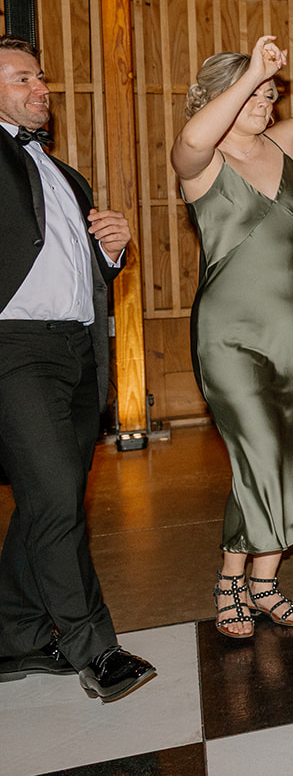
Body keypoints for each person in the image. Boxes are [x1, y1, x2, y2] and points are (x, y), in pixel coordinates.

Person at [172, 33, 293, 638]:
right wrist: (247, 73)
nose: (266, 101)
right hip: (228, 337)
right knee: (257, 450)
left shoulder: (282, 145)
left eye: (268, 92)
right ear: (218, 98)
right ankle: (233, 580)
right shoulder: (200, 161)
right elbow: (190, 140)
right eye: (253, 92)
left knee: (288, 454)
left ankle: (264, 583)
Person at [0, 36, 157, 702]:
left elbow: (70, 270)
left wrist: (113, 250)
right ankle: (93, 646)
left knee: (49, 495)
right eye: (22, 78)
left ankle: (16, 633)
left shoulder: (67, 176)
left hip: (76, 349)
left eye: (41, 76)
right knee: (56, 497)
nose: (42, 88)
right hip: (14, 348)